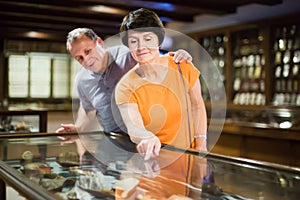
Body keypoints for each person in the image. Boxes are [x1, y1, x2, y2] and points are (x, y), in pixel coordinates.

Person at [56, 28, 193, 136]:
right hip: (113, 141)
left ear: (99, 42)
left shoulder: (129, 55)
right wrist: (79, 128)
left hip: (149, 138)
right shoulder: (82, 80)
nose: (86, 59)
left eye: (88, 51)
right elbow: (88, 108)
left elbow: (158, 59)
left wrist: (179, 55)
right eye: (79, 58)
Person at [115, 8, 207, 160]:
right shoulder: (125, 86)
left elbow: (197, 107)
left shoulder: (183, 66)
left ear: (159, 39)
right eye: (133, 41)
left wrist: (201, 144)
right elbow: (134, 126)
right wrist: (145, 137)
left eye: (148, 38)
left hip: (189, 157)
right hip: (154, 162)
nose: (140, 46)